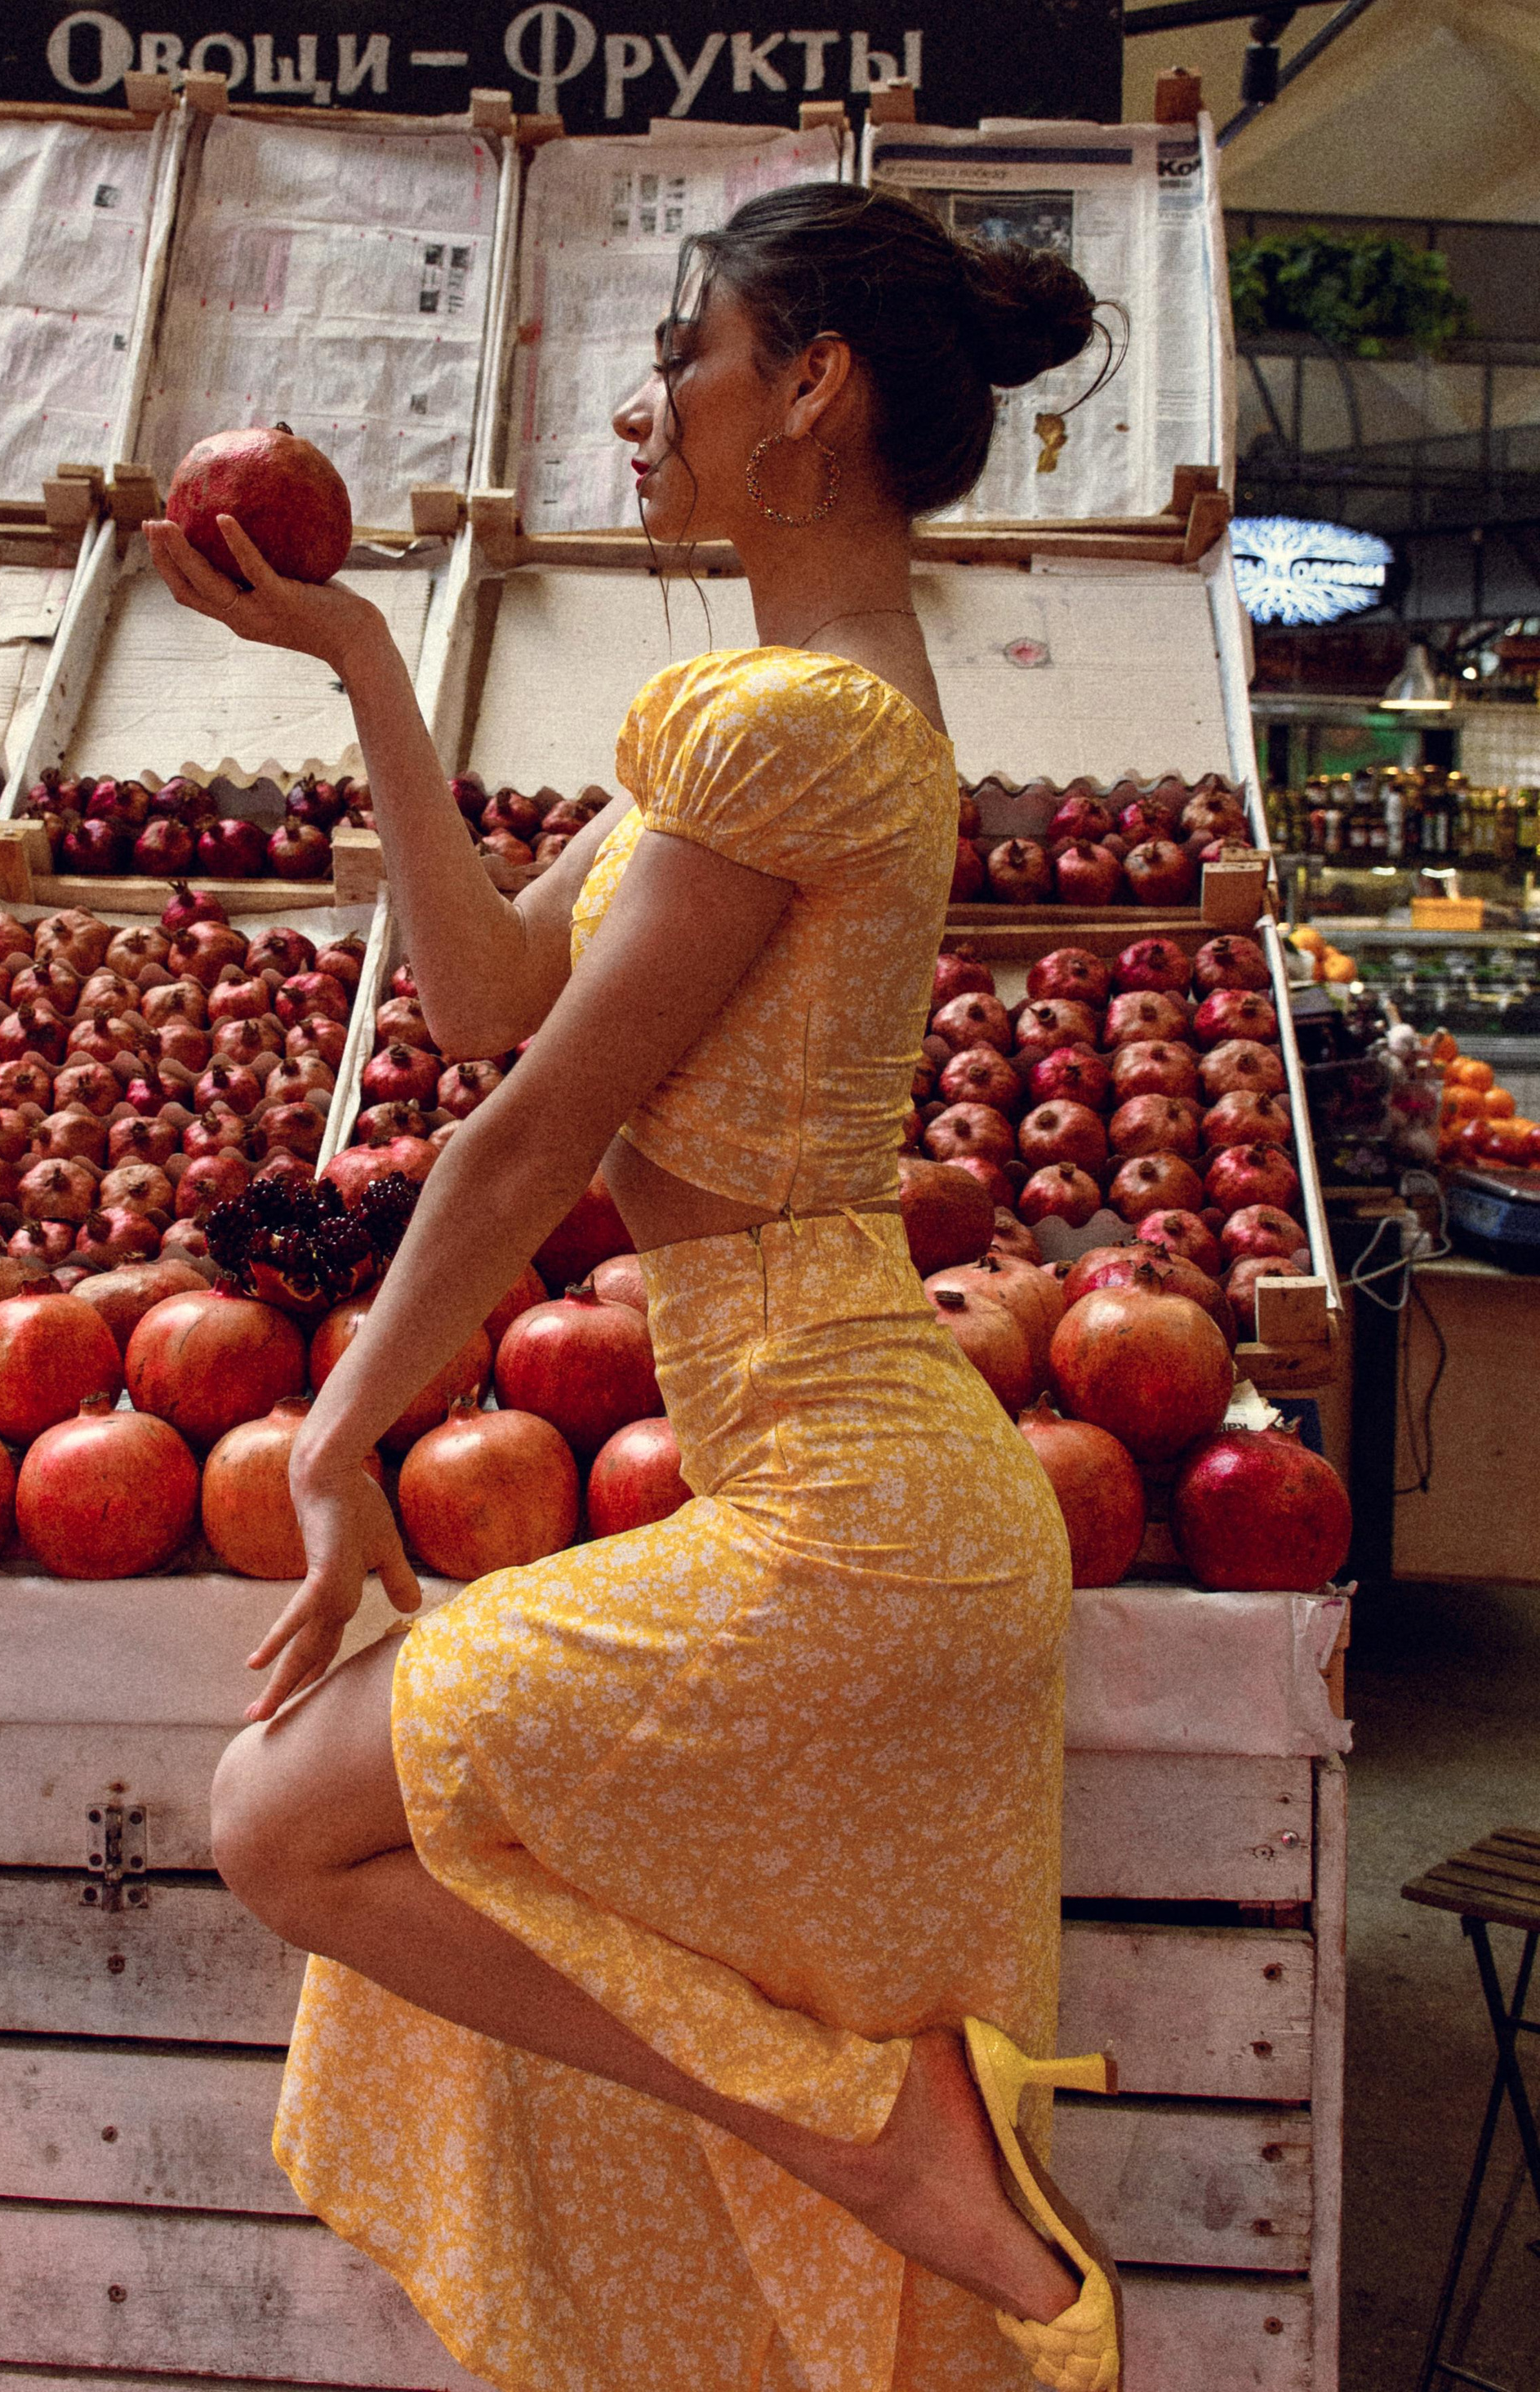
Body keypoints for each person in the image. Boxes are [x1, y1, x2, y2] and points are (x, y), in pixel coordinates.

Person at [150, 182, 1119, 2392]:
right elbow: (492, 991)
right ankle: (880, 2132)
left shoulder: (793, 726)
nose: (642, 402)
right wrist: (366, 661)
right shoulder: (791, 714)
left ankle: (884, 2135)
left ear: (812, 390)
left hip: (852, 1515)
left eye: (686, 351)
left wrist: (338, 1427)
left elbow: (526, 1138)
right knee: (318, 1821)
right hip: (837, 1484)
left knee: (279, 1818)